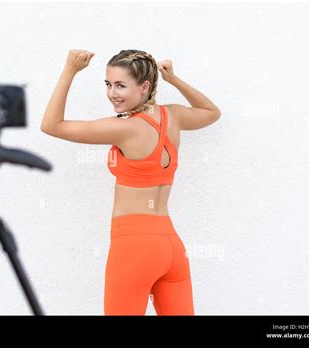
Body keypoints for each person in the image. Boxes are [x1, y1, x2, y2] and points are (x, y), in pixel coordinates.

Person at [41, 49, 221, 315]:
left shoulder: (124, 128)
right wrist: (174, 80)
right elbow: (211, 112)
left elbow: (51, 125)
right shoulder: (174, 116)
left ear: (144, 86)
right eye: (108, 84)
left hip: (134, 247)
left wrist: (70, 69)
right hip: (171, 246)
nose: (112, 93)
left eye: (121, 85)